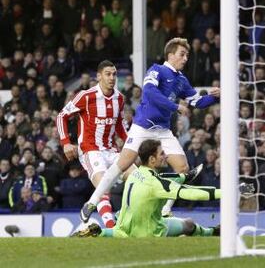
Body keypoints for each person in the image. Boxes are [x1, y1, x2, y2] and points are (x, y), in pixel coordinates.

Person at [80, 37, 220, 222]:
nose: (185, 58)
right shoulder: (157, 70)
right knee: (121, 165)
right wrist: (175, 107)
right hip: (142, 127)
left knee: (183, 168)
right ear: (170, 55)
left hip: (163, 131)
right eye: (182, 54)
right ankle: (91, 202)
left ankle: (165, 210)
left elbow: (198, 102)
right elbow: (150, 93)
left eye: (187, 55)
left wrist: (216, 97)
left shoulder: (182, 80)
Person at [72, 139, 220, 238]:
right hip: (150, 232)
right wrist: (226, 192)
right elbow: (192, 193)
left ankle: (100, 232)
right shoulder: (155, 183)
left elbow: (163, 178)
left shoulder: (134, 173)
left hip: (123, 228)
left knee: (122, 223)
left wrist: (183, 177)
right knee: (188, 224)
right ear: (152, 159)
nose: (166, 156)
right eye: (162, 153)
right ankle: (212, 232)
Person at [56, 60, 128, 228]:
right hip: (90, 150)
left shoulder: (119, 98)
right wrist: (66, 142)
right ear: (98, 76)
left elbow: (120, 125)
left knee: (138, 178)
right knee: (103, 186)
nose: (112, 78)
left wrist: (130, 144)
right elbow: (62, 116)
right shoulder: (86, 96)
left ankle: (122, 214)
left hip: (112, 150)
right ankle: (110, 226)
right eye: (108, 74)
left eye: (114, 74)